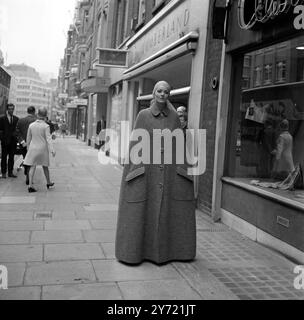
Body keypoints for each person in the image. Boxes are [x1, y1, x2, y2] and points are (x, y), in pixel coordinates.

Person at [115, 81, 196, 265]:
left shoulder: (174, 117)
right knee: (144, 211)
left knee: (167, 211)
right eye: (159, 91)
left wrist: (182, 173)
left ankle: (166, 252)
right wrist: (134, 171)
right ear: (153, 93)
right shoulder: (143, 115)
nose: (162, 94)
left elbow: (179, 147)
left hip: (168, 170)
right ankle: (138, 252)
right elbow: (135, 145)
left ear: (169, 95)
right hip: (148, 170)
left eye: (166, 92)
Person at [23, 107, 56, 193]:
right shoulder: (46, 126)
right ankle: (48, 182)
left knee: (32, 167)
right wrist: (52, 150)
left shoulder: (31, 125)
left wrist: (27, 148)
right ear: (45, 116)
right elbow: (49, 139)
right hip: (43, 149)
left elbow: (28, 138)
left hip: (33, 148)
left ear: (37, 114)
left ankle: (30, 185)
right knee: (45, 166)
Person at [16, 106, 37, 185]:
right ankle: (29, 176)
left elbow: (17, 132)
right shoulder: (36, 121)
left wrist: (22, 141)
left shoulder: (21, 120)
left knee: (26, 158)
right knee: (32, 161)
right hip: (33, 144)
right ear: (34, 112)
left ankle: (26, 171)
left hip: (24, 145)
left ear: (27, 111)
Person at [0, 103, 19, 178]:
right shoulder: (2, 118)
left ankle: (10, 172)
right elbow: (0, 130)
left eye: (12, 109)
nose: (11, 110)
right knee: (4, 158)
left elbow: (17, 130)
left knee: (11, 157)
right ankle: (4, 173)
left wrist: (16, 137)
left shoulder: (16, 119)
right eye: (9, 109)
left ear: (13, 109)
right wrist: (2, 139)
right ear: (7, 109)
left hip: (13, 142)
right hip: (4, 142)